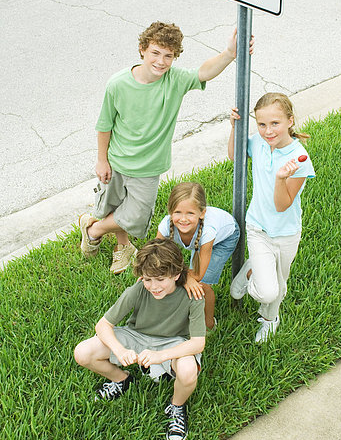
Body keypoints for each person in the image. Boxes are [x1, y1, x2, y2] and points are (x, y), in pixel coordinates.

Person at [79, 21, 253, 274]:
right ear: (142, 50)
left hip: (149, 167)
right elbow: (104, 125)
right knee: (114, 207)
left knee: (136, 215)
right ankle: (123, 247)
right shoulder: (117, 84)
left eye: (168, 56)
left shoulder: (175, 80)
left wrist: (229, 54)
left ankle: (93, 229)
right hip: (117, 161)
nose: (161, 61)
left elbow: (203, 72)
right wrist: (101, 160)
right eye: (155, 53)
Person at [74, 238, 205, 440]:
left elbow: (198, 343)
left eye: (160, 279)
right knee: (83, 352)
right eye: (147, 279)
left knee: (188, 371)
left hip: (173, 342)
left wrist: (160, 356)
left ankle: (176, 406)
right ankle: (121, 380)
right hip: (136, 336)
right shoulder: (138, 290)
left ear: (176, 275)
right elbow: (103, 325)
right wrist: (120, 349)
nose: (153, 287)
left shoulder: (193, 295)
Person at [228, 93, 315, 343]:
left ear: (290, 120)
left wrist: (281, 178)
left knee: (278, 286)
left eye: (275, 123)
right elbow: (235, 157)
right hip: (257, 227)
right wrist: (235, 128)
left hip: (286, 233)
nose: (268, 131)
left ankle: (269, 319)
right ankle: (252, 271)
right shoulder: (258, 143)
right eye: (262, 124)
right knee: (265, 291)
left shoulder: (300, 159)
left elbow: (282, 204)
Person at [157, 182, 240, 330]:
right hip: (199, 240)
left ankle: (209, 325)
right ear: (170, 211)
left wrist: (185, 276)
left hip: (224, 239)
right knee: (177, 278)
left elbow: (198, 275)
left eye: (190, 213)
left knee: (202, 285)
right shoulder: (165, 225)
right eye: (177, 212)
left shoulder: (208, 231)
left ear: (202, 213)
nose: (183, 219)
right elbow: (155, 256)